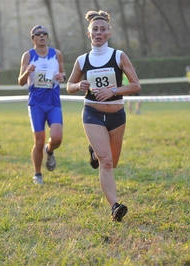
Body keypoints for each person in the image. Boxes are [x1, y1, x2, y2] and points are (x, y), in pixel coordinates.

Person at [66, 10, 141, 222]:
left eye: (102, 29)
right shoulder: (82, 60)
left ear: (108, 33)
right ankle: (115, 206)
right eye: (95, 30)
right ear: (89, 34)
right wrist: (77, 85)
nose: (98, 33)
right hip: (93, 113)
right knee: (106, 162)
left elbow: (136, 85)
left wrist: (114, 91)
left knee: (113, 162)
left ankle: (94, 152)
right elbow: (69, 86)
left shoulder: (119, 56)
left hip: (117, 116)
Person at [18, 25, 66, 185]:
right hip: (36, 102)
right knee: (39, 141)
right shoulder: (28, 56)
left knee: (57, 138)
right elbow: (21, 81)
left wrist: (61, 77)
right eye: (38, 34)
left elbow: (63, 73)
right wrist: (27, 72)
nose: (42, 36)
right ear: (33, 39)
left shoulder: (56, 54)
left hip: (53, 101)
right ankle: (37, 174)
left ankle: (49, 150)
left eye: (45, 33)